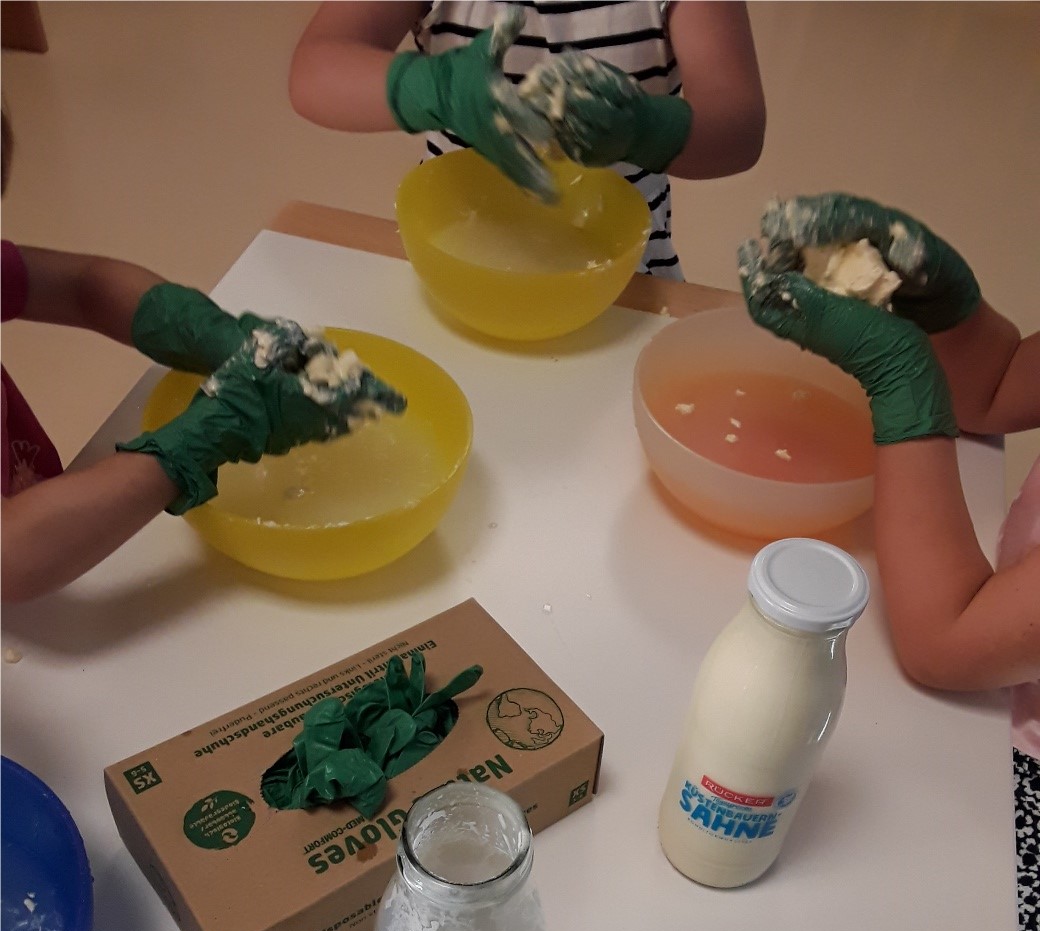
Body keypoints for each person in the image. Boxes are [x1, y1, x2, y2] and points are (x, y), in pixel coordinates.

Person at [738, 190, 1039, 931]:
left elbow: (947, 639)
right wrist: (950, 313)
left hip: (1015, 796)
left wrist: (901, 382)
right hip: (1007, 665)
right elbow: (997, 389)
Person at [1, 107, 404, 604]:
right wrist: (207, 435)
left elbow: (81, 287)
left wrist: (207, 333)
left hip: (48, 527)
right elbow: (11, 557)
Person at [289, 1, 765, 280]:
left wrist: (646, 128)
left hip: (625, 284)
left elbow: (738, 127)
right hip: (454, 271)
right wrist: (432, 88)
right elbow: (315, 69)